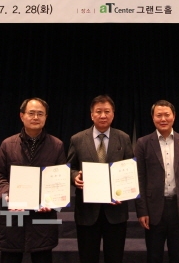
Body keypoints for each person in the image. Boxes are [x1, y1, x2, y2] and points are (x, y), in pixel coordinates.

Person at [0, 97, 66, 263]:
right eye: (31, 113)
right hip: (13, 215)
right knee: (10, 256)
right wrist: (8, 196)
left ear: (46, 117)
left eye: (40, 114)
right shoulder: (8, 144)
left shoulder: (57, 145)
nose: (35, 117)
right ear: (22, 116)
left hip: (43, 217)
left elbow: (61, 180)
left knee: (42, 257)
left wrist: (52, 201)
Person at [66, 95, 134, 263]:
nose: (103, 115)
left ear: (113, 114)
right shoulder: (78, 139)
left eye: (107, 111)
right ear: (92, 115)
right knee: (87, 257)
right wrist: (74, 177)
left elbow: (130, 170)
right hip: (87, 211)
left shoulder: (123, 138)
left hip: (116, 211)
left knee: (115, 257)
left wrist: (125, 191)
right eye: (98, 111)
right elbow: (69, 168)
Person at [135, 100, 179, 263]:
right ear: (152, 118)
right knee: (154, 256)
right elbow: (139, 178)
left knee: (178, 255)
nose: (163, 119)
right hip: (153, 208)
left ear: (174, 116)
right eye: (159, 115)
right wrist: (142, 211)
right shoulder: (143, 143)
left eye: (167, 115)